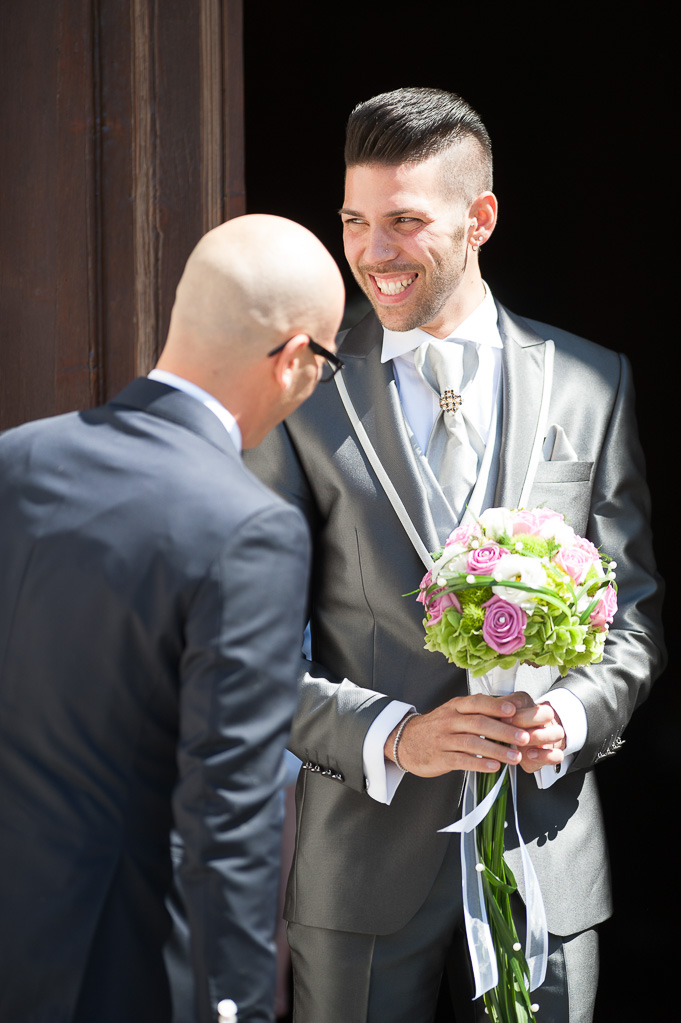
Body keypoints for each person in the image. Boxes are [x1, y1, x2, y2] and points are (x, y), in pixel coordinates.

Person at [244, 88, 665, 1023]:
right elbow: (247, 653)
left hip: (545, 863)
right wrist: (394, 735)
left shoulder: (592, 382)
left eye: (403, 221)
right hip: (357, 876)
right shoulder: (295, 394)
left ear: (479, 218)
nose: (370, 251)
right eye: (355, 220)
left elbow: (630, 619)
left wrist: (567, 714)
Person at [0, 214, 345, 1023]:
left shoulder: (16, 458)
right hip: (120, 968)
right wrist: (237, 1006)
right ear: (295, 358)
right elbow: (230, 811)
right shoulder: (248, 527)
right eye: (325, 365)